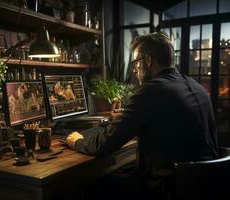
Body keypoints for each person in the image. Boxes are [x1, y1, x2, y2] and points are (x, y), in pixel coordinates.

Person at [66, 32, 219, 199]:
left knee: (90, 186)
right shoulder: (196, 86)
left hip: (167, 189)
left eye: (135, 63)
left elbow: (106, 145)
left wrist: (78, 141)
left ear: (148, 60)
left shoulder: (151, 90)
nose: (134, 70)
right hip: (203, 185)